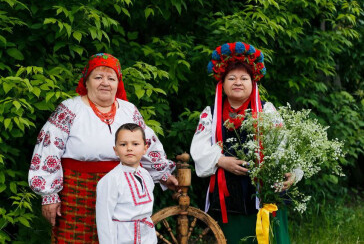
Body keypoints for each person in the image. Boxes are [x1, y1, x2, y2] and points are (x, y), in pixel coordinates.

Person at [28, 53, 177, 243]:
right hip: (77, 193)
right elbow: (48, 150)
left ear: (118, 83)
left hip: (124, 193)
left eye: (111, 78)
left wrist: (163, 173)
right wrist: (49, 194)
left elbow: (146, 144)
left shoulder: (129, 111)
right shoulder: (69, 109)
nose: (105, 83)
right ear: (87, 81)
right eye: (98, 77)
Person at [190, 42, 303, 244]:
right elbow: (198, 149)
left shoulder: (267, 111)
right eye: (231, 78)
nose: (238, 82)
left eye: (244, 78)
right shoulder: (211, 114)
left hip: (266, 192)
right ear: (222, 84)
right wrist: (221, 160)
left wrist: (292, 172)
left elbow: (284, 146)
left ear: (253, 83)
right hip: (230, 196)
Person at [96, 123, 157, 244]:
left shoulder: (146, 176)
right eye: (123, 144)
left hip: (147, 237)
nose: (129, 148)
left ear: (145, 149)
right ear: (116, 150)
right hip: (122, 239)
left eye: (135, 144)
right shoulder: (110, 180)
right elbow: (104, 220)